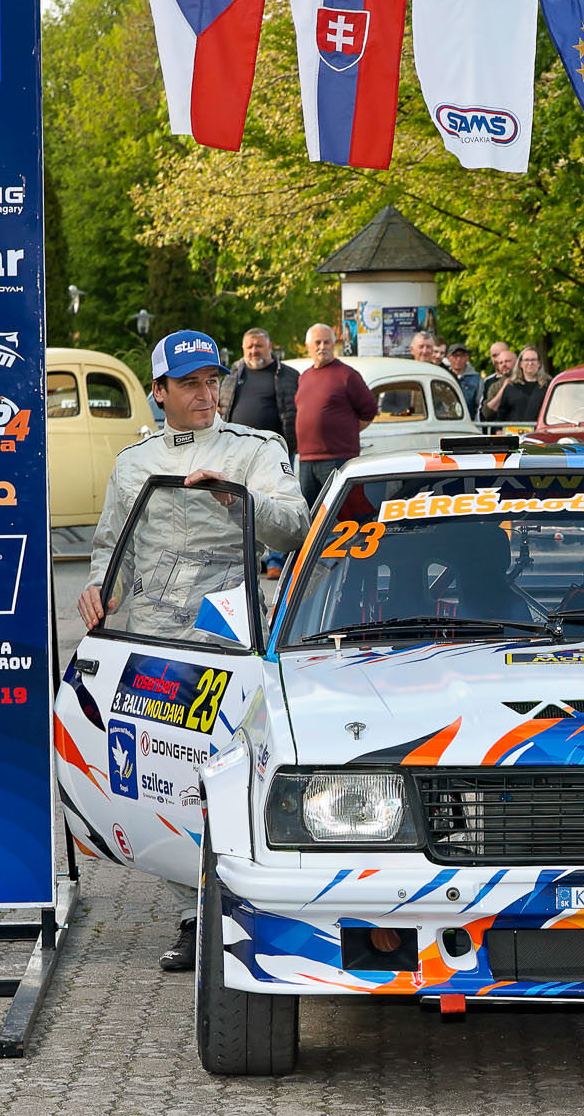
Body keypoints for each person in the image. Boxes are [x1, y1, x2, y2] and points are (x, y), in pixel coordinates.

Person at [79, 330, 309, 969]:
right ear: (159, 392)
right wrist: (100, 589)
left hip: (227, 631)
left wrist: (238, 499)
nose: (207, 394)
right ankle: (193, 913)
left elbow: (296, 528)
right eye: (190, 384)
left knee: (229, 770)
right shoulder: (133, 462)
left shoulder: (256, 449)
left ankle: (242, 902)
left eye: (213, 381)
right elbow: (112, 546)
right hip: (151, 635)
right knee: (161, 777)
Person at [218, 327, 301, 577]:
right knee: (242, 503)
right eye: (250, 346)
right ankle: (247, 558)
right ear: (243, 349)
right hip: (238, 452)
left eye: (259, 346)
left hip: (275, 452)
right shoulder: (233, 375)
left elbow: (296, 412)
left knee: (275, 504)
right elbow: (222, 408)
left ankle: (276, 560)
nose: (254, 351)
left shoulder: (288, 375)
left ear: (269, 347)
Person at [292, 323, 376, 505]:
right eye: (317, 342)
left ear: (333, 345)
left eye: (327, 342)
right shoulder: (304, 377)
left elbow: (369, 411)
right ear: (308, 346)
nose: (322, 347)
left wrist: (345, 432)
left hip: (337, 458)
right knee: (311, 513)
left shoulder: (347, 375)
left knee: (345, 511)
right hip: (306, 460)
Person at [482, 346, 547, 424]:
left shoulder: (549, 385)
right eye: (526, 360)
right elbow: (500, 413)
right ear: (521, 364)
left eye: (533, 360)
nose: (530, 363)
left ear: (539, 363)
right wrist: (499, 429)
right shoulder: (510, 386)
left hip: (541, 429)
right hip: (514, 430)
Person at [445, 343, 482, 416]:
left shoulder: (477, 379)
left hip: (469, 420)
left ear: (467, 358)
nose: (458, 359)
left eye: (462, 356)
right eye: (455, 356)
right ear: (448, 358)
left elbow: (480, 405)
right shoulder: (444, 376)